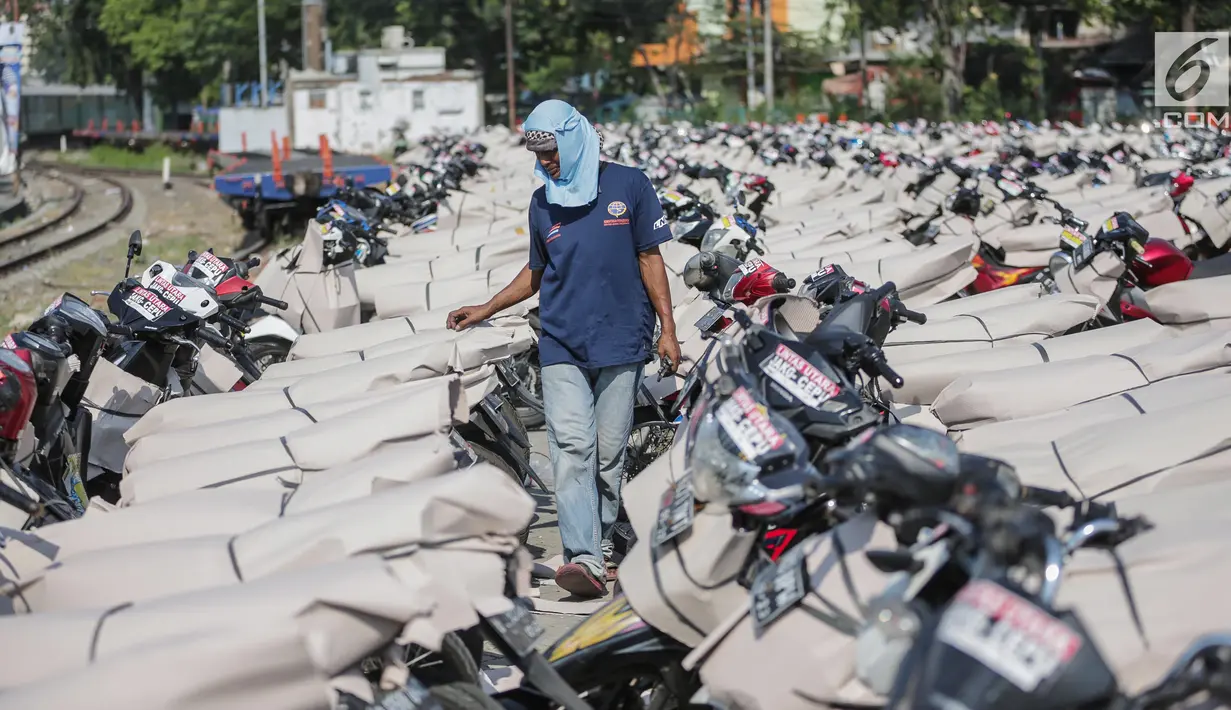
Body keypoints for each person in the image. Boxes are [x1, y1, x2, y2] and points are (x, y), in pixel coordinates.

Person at [448, 99, 680, 598]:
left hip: (622, 339)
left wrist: (668, 329)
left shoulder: (630, 186)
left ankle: (602, 544)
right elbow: (535, 274)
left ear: (575, 139)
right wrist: (486, 308)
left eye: (552, 150)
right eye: (540, 153)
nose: (547, 161)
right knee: (571, 448)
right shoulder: (542, 202)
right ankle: (584, 557)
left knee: (609, 452)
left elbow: (650, 259)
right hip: (560, 342)